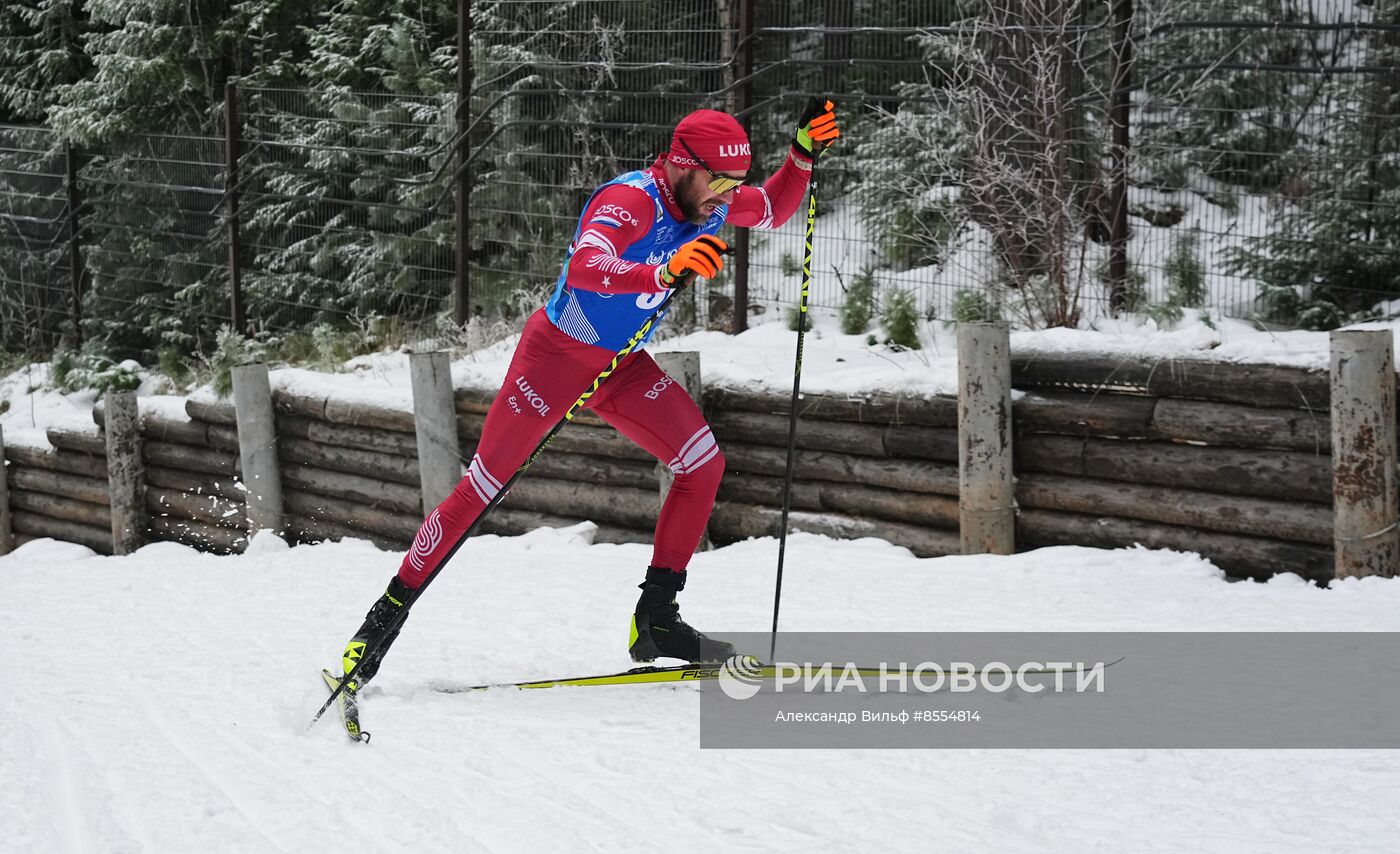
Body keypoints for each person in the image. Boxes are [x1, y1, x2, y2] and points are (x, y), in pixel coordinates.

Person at [338, 99, 841, 690]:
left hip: (619, 363)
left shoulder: (715, 200)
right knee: (482, 488)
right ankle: (378, 624)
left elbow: (777, 210)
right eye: (720, 180)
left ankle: (656, 619)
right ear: (683, 164)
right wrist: (661, 269)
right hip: (554, 361)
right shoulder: (628, 200)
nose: (728, 194)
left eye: (735, 183)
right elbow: (587, 267)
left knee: (702, 463)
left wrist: (802, 156)